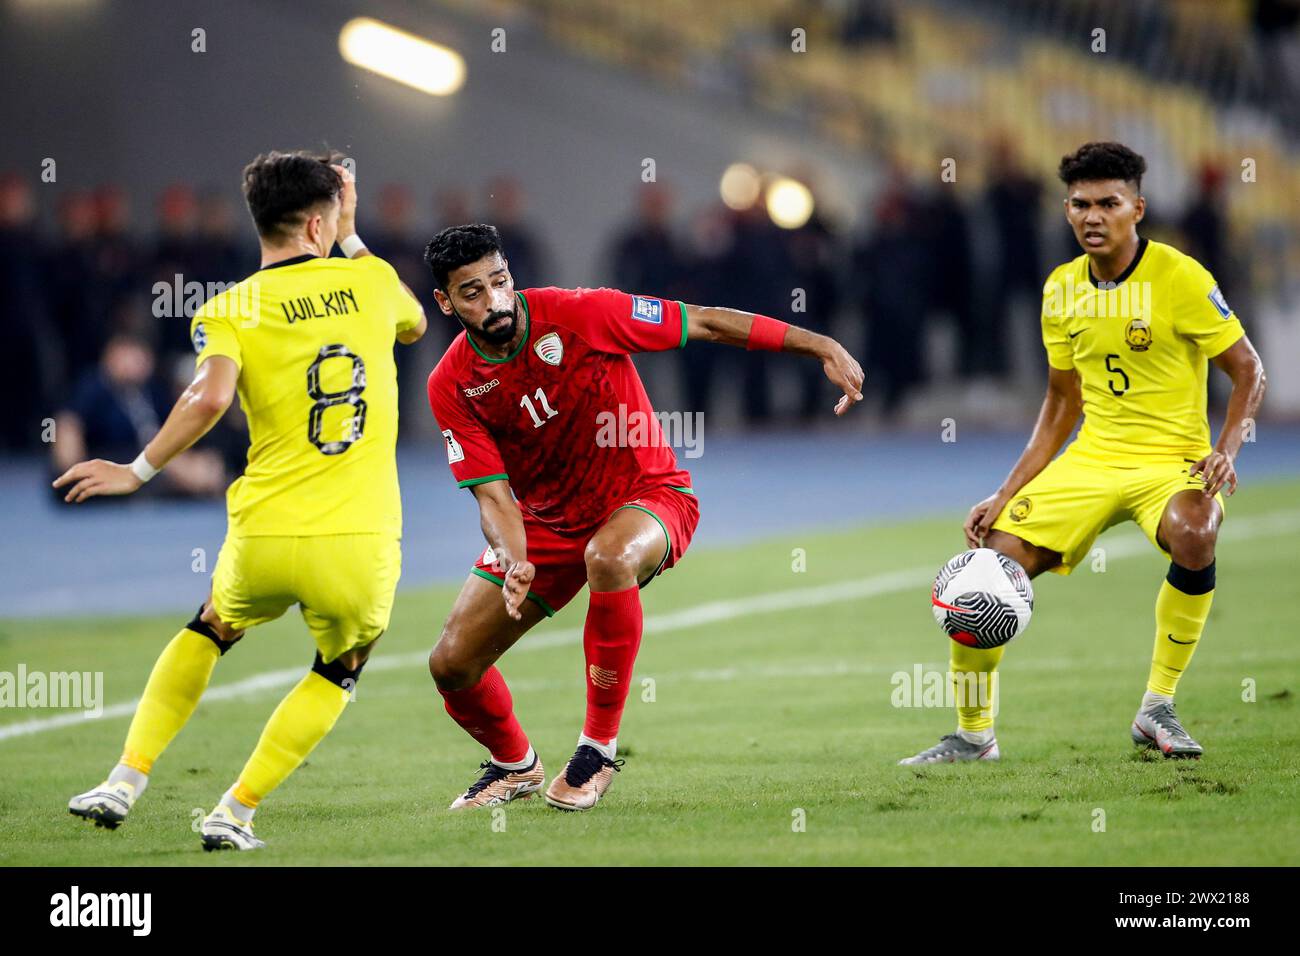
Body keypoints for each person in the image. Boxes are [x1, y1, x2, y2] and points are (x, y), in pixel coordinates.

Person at [422, 223, 864, 811]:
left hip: (647, 497)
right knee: (451, 663)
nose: (494, 300)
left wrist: (820, 345)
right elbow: (494, 497)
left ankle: (597, 751)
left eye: (500, 281)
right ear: (445, 302)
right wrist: (514, 556)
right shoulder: (451, 384)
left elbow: (704, 320)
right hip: (546, 526)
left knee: (607, 556)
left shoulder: (583, 313)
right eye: (472, 292)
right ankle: (514, 764)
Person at [56, 152, 427, 850]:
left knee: (211, 626)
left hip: (263, 533)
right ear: (320, 221)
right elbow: (415, 325)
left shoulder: (228, 307)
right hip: (359, 540)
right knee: (342, 665)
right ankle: (235, 810)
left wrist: (138, 470)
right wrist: (351, 232)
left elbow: (212, 395)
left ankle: (124, 779)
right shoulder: (371, 282)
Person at [900, 142, 1266, 765]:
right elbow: (1061, 402)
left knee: (1195, 528)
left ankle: (1158, 707)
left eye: (1107, 203)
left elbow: (1247, 369)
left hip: (1171, 460)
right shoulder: (1061, 288)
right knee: (984, 571)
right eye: (1079, 205)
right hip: (1092, 459)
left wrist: (1226, 450)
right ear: (1066, 210)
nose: (1092, 216)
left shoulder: (1181, 277)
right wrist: (1006, 491)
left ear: (1137, 209)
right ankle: (972, 736)